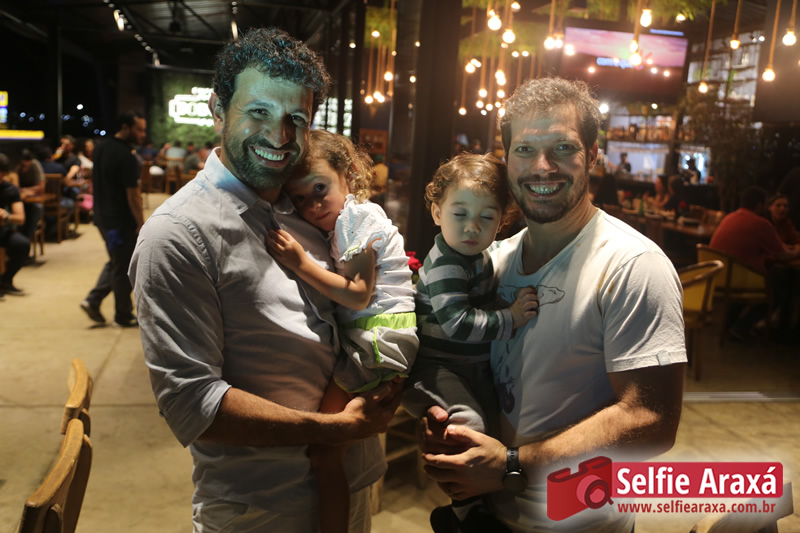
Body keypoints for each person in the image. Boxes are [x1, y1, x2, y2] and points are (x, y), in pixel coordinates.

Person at [128, 28, 401, 533]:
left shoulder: (305, 207)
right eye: (259, 111)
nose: (279, 137)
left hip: (351, 480)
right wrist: (330, 429)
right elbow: (191, 402)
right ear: (218, 110)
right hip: (261, 505)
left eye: (296, 118)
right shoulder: (178, 234)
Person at [416, 77, 687, 533]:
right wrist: (443, 417)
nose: (542, 167)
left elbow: (652, 420)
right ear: (506, 160)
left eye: (563, 147)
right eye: (525, 150)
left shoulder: (632, 265)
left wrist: (511, 464)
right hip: (488, 517)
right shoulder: (493, 260)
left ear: (593, 154)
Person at [266, 129, 418, 533]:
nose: (312, 204)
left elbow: (358, 295)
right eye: (299, 198)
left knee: (325, 452)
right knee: (328, 451)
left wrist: (300, 263)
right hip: (378, 336)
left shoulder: (356, 218)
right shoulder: (344, 221)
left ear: (348, 174)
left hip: (378, 337)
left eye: (319, 188)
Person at [401, 152, 539, 533]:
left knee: (494, 428)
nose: (472, 227)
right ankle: (462, 511)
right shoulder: (448, 262)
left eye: (487, 217)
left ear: (503, 221)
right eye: (459, 213)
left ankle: (475, 508)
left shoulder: (478, 256)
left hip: (468, 369)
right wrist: (511, 318)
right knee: (471, 424)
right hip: (436, 369)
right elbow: (457, 324)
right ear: (437, 212)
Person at [79, 111, 146, 327]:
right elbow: (133, 196)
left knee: (118, 260)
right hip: (119, 222)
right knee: (123, 265)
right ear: (125, 127)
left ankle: (94, 300)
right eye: (139, 130)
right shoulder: (126, 157)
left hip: (101, 217)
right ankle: (122, 314)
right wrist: (141, 223)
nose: (142, 134)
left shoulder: (101, 148)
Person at [710, 186, 800, 340]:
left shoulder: (730, 217)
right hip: (739, 278)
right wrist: (797, 250)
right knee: (777, 288)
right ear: (760, 205)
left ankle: (730, 325)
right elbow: (783, 255)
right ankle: (742, 327)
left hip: (718, 275)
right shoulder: (761, 224)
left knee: (773, 274)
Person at [0, 154, 30, 296]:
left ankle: (6, 281)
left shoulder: (10, 189)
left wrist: (6, 216)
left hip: (2, 229)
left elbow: (20, 218)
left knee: (23, 244)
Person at [14, 149, 45, 244]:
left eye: (27, 165)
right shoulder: (15, 167)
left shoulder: (35, 165)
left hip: (30, 200)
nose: (25, 168)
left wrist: (26, 190)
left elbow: (41, 187)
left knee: (37, 208)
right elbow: (14, 186)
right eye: (23, 165)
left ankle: (25, 240)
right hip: (17, 200)